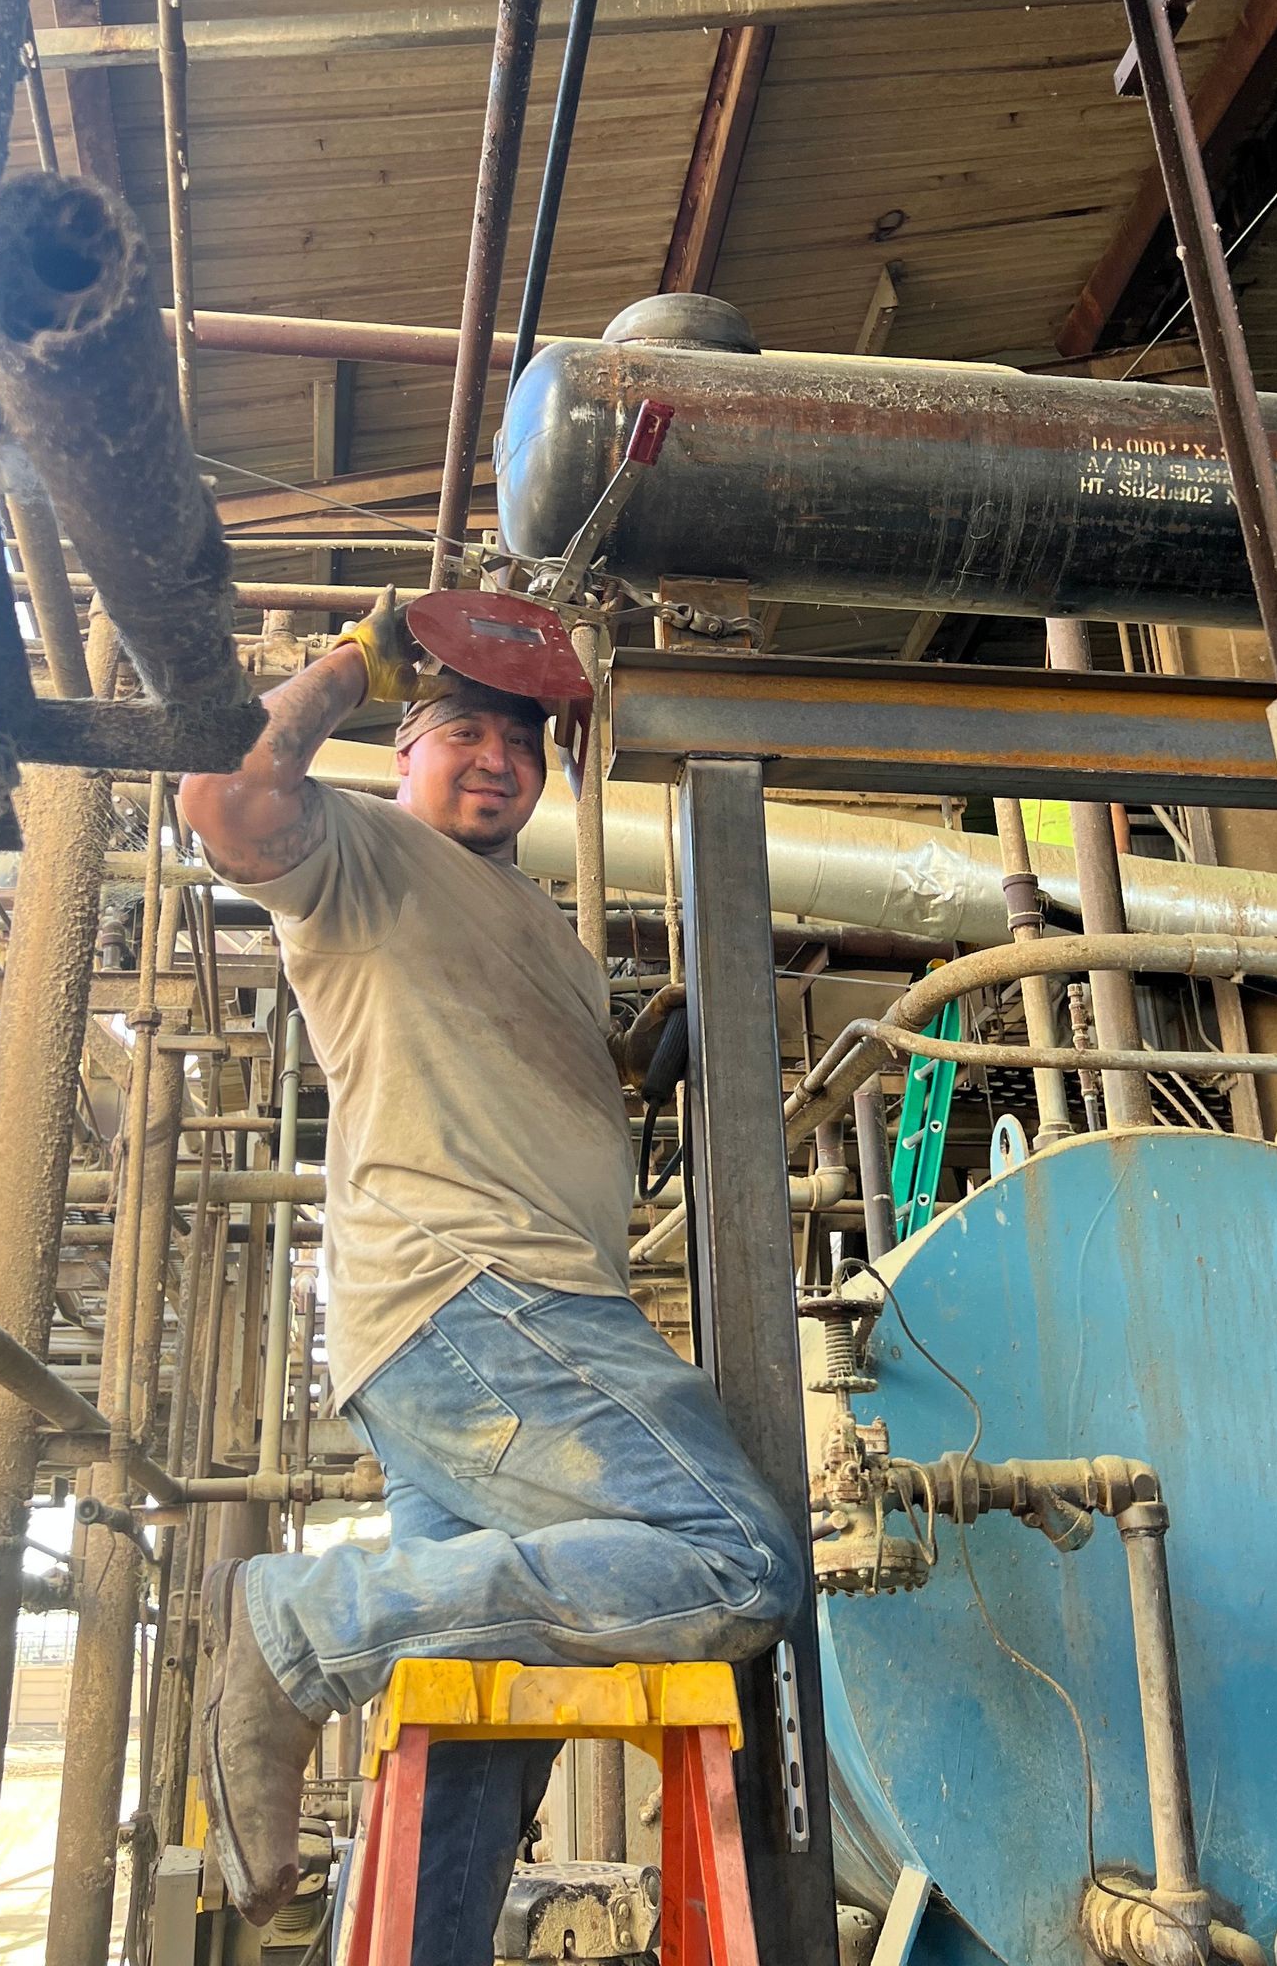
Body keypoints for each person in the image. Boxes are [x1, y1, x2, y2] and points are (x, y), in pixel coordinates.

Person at [176, 587, 805, 1956]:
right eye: (461, 726)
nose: (495, 758)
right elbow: (225, 796)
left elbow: (526, 1099)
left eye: (521, 740)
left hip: (488, 1322)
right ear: (404, 752)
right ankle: (303, 1623)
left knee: (478, 1717)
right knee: (742, 1563)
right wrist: (353, 663)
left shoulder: (548, 941)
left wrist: (635, 1056)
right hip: (482, 1304)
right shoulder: (364, 858)